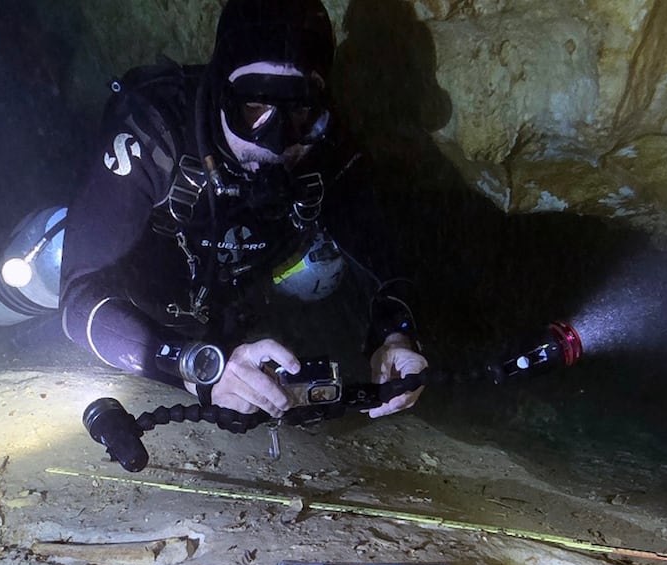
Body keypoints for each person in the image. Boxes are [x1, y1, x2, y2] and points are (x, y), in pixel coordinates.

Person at [59, 0, 427, 419]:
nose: (274, 140)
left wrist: (395, 333)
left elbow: (387, 255)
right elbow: (77, 298)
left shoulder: (328, 146)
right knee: (47, 255)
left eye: (300, 111)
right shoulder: (154, 135)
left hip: (238, 300)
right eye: (252, 109)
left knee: (325, 270)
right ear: (220, 90)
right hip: (137, 295)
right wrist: (199, 367)